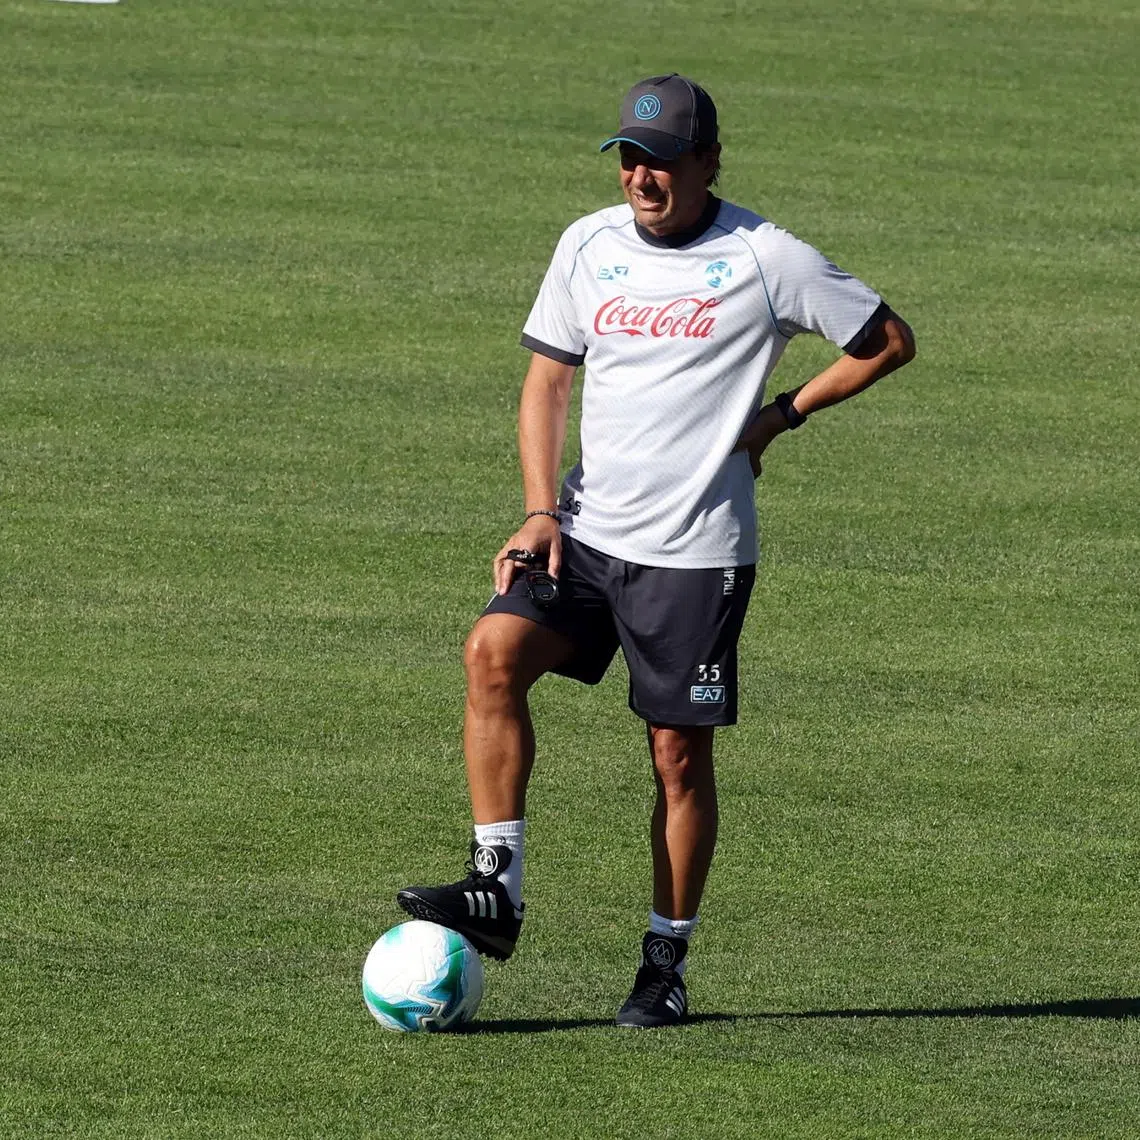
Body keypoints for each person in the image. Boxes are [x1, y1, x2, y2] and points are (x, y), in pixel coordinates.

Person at [397, 73, 916, 1027]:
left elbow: (886, 340)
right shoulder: (587, 245)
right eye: (630, 157)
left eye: (663, 159)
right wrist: (538, 509)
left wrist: (780, 416)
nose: (642, 176)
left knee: (677, 758)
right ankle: (495, 889)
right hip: (585, 536)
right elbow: (548, 380)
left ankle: (663, 965)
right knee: (491, 652)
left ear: (709, 161)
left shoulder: (766, 257)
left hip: (694, 553)